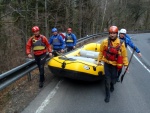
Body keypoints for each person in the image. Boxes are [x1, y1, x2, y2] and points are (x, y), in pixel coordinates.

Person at [97, 26, 129, 103]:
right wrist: (99, 61)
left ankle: (112, 85)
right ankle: (107, 95)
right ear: (109, 33)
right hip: (107, 64)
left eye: (114, 33)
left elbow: (124, 55)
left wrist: (126, 65)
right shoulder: (105, 42)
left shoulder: (121, 43)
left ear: (116, 34)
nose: (112, 35)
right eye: (111, 33)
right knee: (107, 79)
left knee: (113, 79)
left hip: (115, 65)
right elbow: (101, 52)